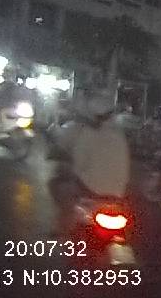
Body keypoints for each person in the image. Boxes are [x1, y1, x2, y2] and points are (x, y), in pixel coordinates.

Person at [54, 94, 131, 234]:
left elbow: (78, 165)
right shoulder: (120, 135)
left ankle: (64, 228)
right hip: (118, 193)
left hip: (92, 190)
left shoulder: (88, 133)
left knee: (57, 185)